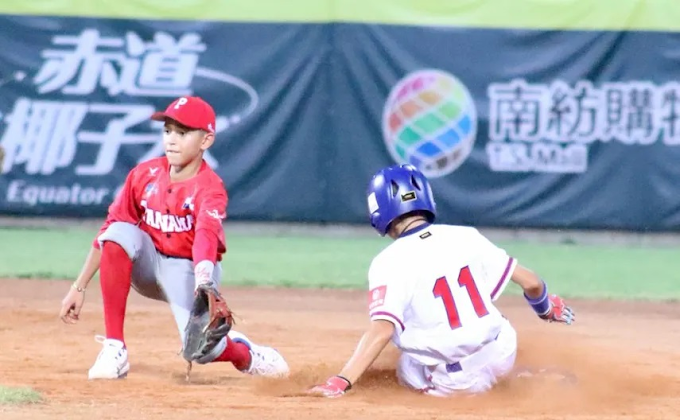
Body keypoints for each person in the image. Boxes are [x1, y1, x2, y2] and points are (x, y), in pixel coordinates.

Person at [59, 96, 289, 380]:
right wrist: (78, 287)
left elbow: (206, 235)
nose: (171, 140)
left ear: (206, 140)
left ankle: (247, 354)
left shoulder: (210, 188)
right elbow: (108, 230)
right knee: (117, 232)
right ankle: (114, 348)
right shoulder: (144, 174)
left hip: (189, 273)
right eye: (168, 131)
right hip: (149, 263)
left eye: (182, 133)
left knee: (202, 351)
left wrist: (204, 279)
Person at [309, 164, 575, 397]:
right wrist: (546, 309)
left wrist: (341, 381)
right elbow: (532, 283)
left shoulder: (388, 261)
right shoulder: (466, 236)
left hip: (457, 382)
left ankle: (506, 387)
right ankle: (514, 376)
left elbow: (382, 331)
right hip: (502, 351)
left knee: (406, 365)